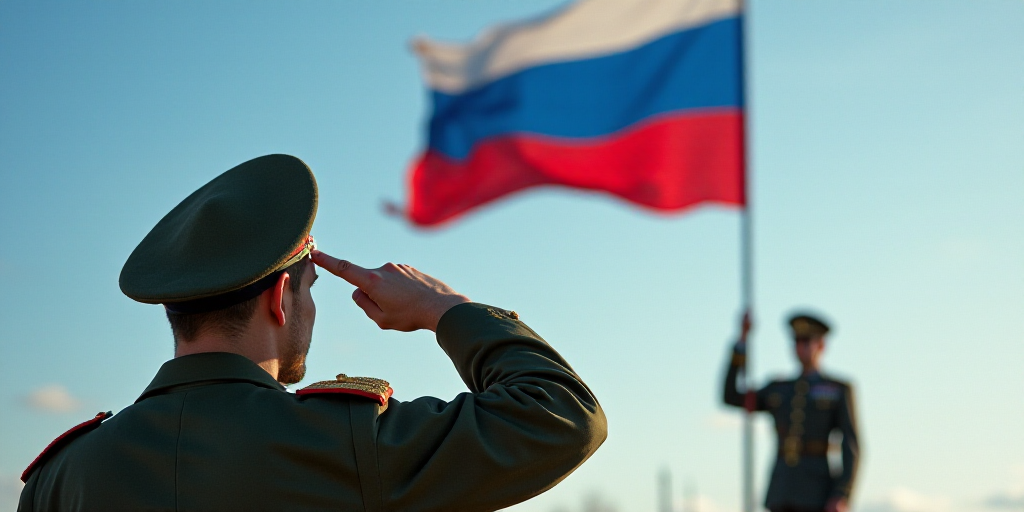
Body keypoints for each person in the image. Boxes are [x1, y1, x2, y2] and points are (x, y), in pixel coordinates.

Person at [18, 154, 607, 512]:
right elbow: (560, 417)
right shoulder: (346, 443)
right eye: (309, 291)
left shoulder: (59, 478)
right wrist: (444, 308)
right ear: (280, 298)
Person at [722, 312, 860, 512]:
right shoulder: (778, 388)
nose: (800, 347)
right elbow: (731, 396)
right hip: (781, 493)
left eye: (806, 341)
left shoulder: (837, 390)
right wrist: (742, 341)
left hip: (817, 494)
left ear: (821, 345)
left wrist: (842, 494)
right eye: (796, 341)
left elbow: (850, 445)